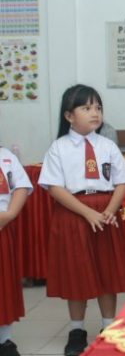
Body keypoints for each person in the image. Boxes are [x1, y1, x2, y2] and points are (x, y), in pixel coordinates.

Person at [38, 84, 125, 356]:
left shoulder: (108, 146)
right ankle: (77, 330)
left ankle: (109, 326)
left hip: (105, 211)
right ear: (69, 116)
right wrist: (87, 212)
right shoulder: (59, 148)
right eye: (87, 108)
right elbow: (55, 188)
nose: (95, 113)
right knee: (75, 273)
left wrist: (110, 210)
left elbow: (122, 181)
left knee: (107, 270)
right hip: (73, 212)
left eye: (98, 108)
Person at [0, 139, 32, 356]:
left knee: (4, 286)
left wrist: (10, 214)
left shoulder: (5, 156)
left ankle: (5, 340)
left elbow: (21, 186)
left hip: (2, 227)